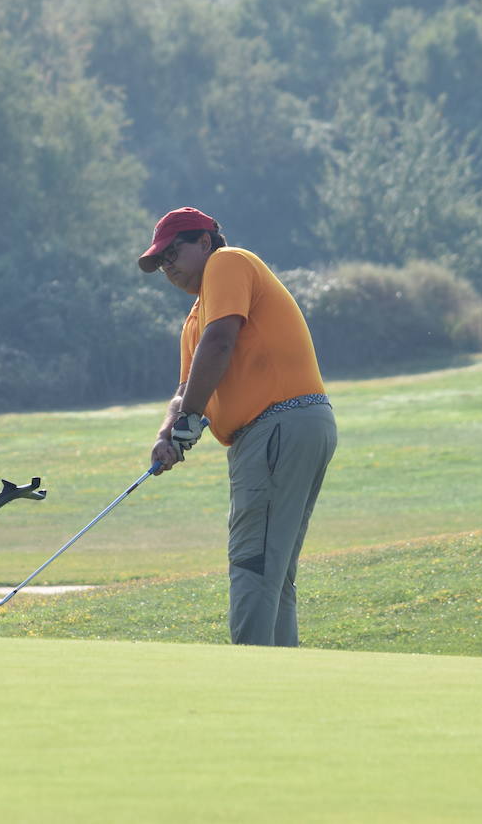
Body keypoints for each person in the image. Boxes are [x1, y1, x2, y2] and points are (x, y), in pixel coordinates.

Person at [139, 207, 337, 647]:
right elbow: (186, 386)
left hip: (276, 424)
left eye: (173, 251)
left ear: (205, 242)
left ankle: (248, 679)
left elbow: (222, 341)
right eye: (160, 261)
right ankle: (280, 682)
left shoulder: (228, 264)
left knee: (252, 563)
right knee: (273, 572)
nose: (167, 265)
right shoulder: (196, 316)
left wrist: (190, 418)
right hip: (291, 427)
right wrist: (167, 431)